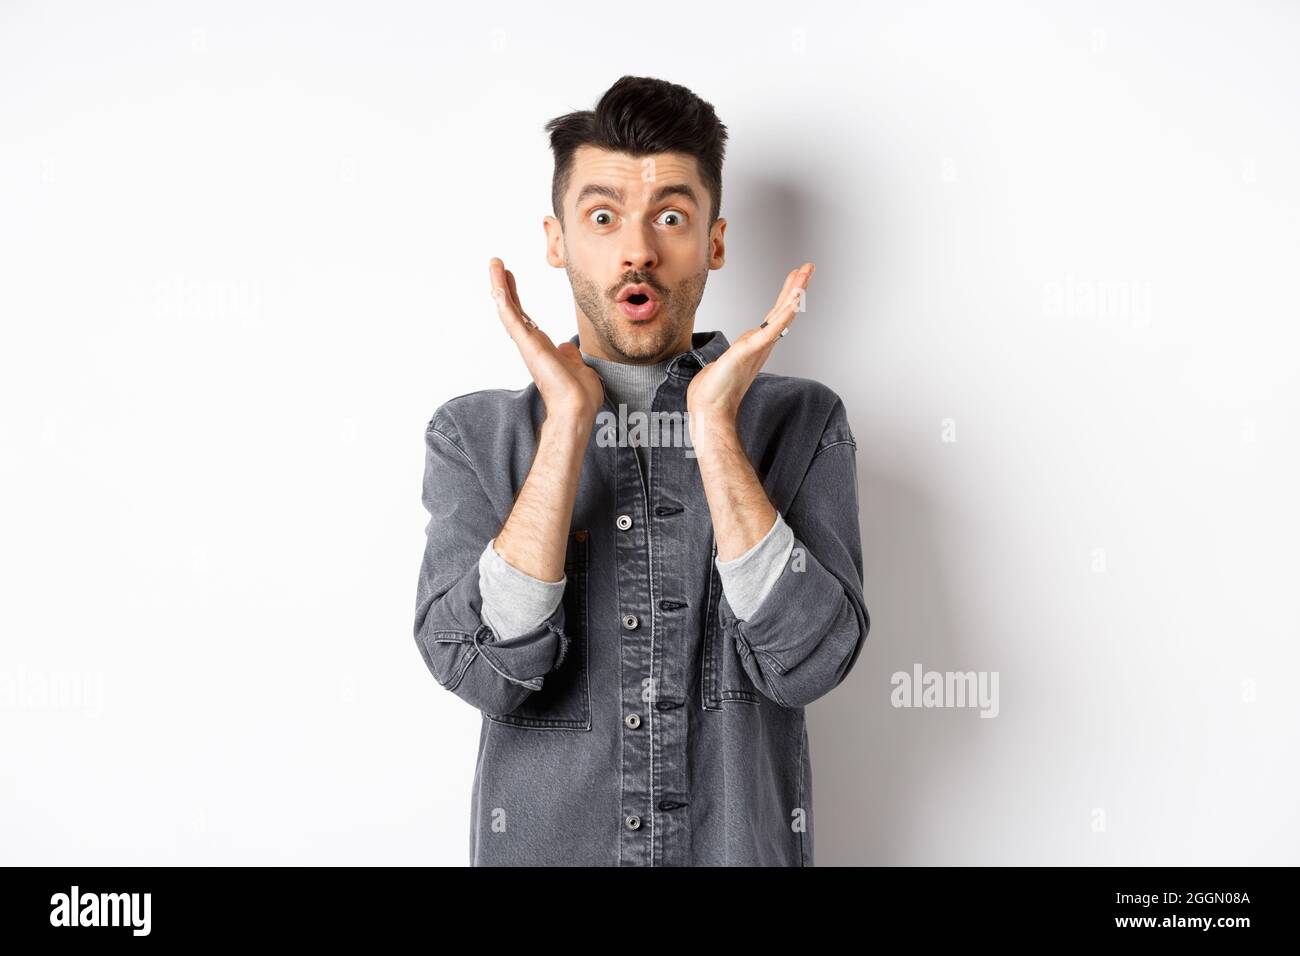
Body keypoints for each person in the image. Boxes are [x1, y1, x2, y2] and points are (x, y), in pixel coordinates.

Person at [413, 75, 869, 866]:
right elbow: (481, 668)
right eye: (602, 217)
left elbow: (810, 662)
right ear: (556, 241)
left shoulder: (804, 424)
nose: (637, 249)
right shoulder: (473, 435)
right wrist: (565, 429)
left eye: (670, 217)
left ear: (714, 243)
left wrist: (714, 425)